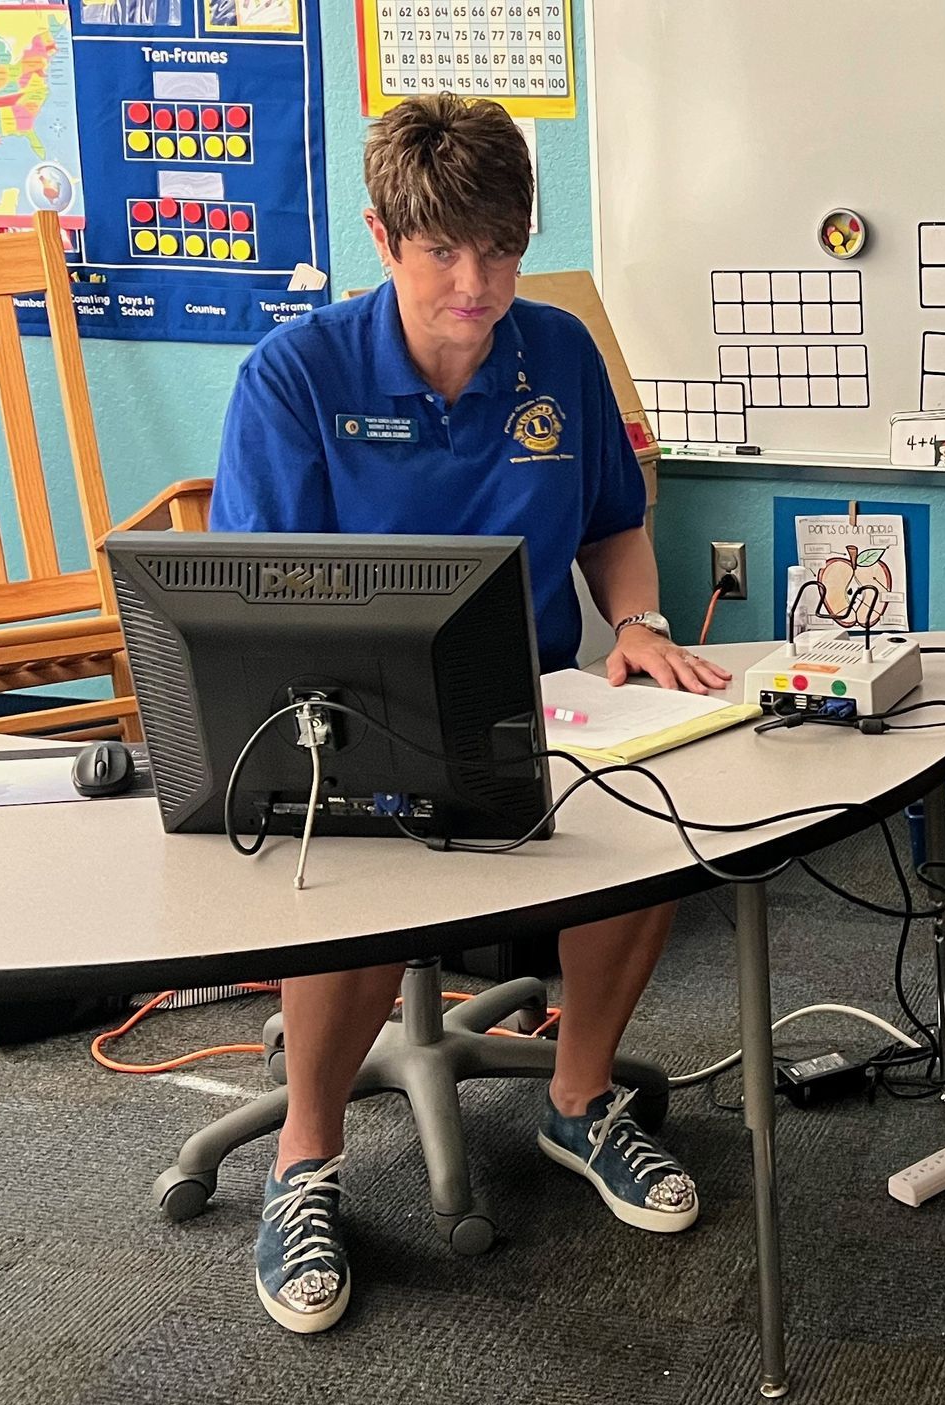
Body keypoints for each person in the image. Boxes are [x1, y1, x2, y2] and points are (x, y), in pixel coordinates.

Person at [210, 95, 729, 1335]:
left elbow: (610, 522)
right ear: (386, 239)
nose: (478, 280)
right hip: (351, 721)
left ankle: (578, 1098)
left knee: (656, 821)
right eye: (445, 250)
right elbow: (258, 596)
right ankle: (306, 1158)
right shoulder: (298, 376)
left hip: (535, 706)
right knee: (359, 867)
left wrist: (642, 625)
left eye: (499, 247)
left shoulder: (556, 353)